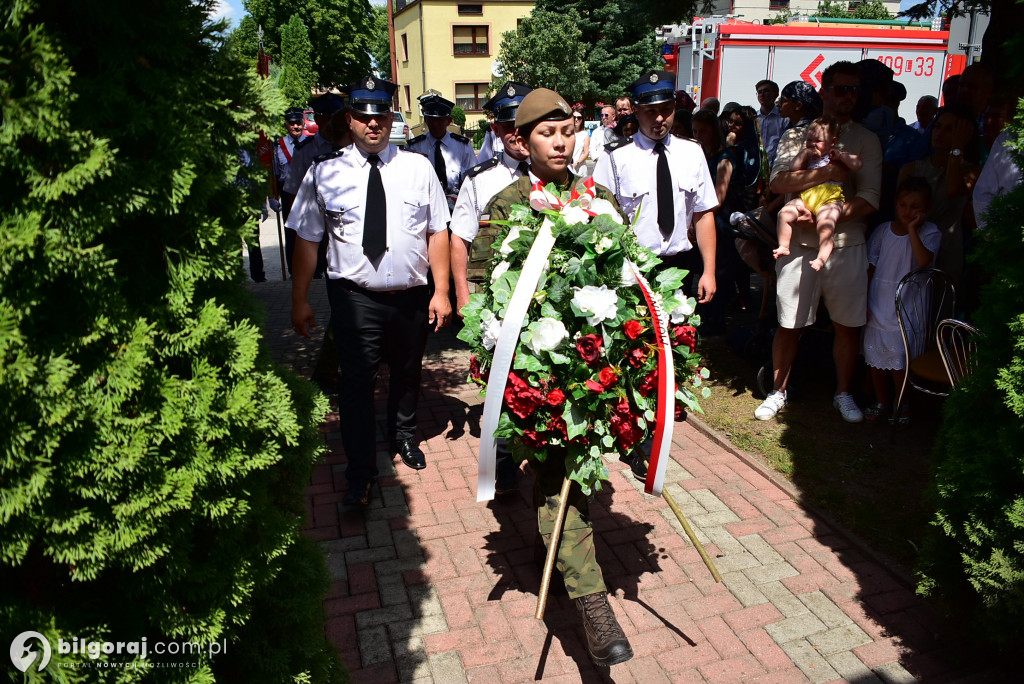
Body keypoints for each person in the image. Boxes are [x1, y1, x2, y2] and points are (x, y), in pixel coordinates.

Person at [483, 87, 634, 668]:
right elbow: (490, 302)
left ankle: (571, 557)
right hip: (538, 377)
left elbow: (630, 285)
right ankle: (594, 608)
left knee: (580, 477)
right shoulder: (509, 203)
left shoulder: (604, 199)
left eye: (568, 130)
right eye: (547, 133)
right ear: (522, 142)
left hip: (595, 375)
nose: (561, 142)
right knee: (556, 481)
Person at [288, 76, 452, 506]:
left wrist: (442, 291)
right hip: (355, 298)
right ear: (351, 119)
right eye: (363, 116)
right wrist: (299, 298)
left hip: (411, 296)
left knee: (407, 372)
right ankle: (360, 472)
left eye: (381, 115)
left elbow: (438, 230)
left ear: (391, 117)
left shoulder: (417, 168)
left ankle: (402, 435)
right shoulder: (325, 172)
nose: (373, 124)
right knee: (356, 385)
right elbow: (306, 238)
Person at [594, 69, 718, 475]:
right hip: (635, 269)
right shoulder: (615, 159)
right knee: (636, 353)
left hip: (680, 266)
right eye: (651, 111)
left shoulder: (692, 152)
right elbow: (602, 223)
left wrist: (709, 270)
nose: (659, 119)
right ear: (637, 113)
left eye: (666, 110)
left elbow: (702, 215)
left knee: (677, 349)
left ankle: (665, 415)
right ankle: (638, 437)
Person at [755, 61, 882, 424]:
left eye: (853, 90)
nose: (847, 96)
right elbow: (778, 183)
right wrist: (825, 173)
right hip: (797, 244)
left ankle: (843, 393)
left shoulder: (866, 139)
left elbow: (871, 196)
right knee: (789, 322)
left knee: (847, 324)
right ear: (823, 91)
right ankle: (777, 391)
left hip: (846, 244)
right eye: (839, 89)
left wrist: (831, 213)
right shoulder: (799, 134)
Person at [450, 81, 533, 495]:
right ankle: (501, 465)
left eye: (524, 124)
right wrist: (464, 299)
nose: (517, 133)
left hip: (543, 304)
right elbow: (460, 240)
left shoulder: (553, 176)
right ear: (498, 131)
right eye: (508, 125)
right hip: (495, 304)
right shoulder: (479, 180)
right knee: (500, 385)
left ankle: (538, 457)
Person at [862, 177, 941, 424]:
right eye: (904, 205)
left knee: (899, 359)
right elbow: (871, 266)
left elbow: (923, 260)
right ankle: (882, 400)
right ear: (896, 204)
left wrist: (912, 230)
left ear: (926, 209)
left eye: (915, 207)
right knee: (875, 356)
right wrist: (863, 300)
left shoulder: (931, 232)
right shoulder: (883, 230)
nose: (908, 211)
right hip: (879, 300)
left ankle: (902, 401)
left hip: (907, 304)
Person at [897, 103, 980, 286]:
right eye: (938, 126)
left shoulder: (972, 171)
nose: (940, 133)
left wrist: (957, 147)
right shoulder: (911, 169)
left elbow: (952, 188)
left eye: (951, 129)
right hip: (911, 245)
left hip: (948, 249)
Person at [774, 116, 863, 271]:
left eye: (818, 141)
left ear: (832, 142)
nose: (812, 144)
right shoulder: (808, 156)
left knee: (825, 225)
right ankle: (784, 245)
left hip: (829, 199)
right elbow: (793, 168)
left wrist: (842, 156)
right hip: (807, 197)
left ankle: (822, 257)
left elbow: (857, 164)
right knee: (784, 213)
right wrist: (804, 154)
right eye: (809, 139)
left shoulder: (836, 155)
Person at [407, 93, 477, 201]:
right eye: (431, 120)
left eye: (440, 121)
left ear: (449, 121)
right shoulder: (415, 147)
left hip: (456, 205)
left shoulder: (462, 146)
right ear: (425, 120)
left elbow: (473, 179)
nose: (435, 125)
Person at [275, 106, 312, 275]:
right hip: (288, 194)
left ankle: (315, 270)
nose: (296, 126)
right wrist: (272, 196)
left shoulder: (312, 144)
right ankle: (293, 271)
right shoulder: (277, 146)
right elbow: (275, 173)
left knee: (311, 232)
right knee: (291, 233)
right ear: (286, 125)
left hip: (309, 193)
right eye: (292, 123)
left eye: (298, 122)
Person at [755, 80, 788, 166]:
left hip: (777, 166)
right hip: (756, 167)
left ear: (776, 94)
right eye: (759, 92)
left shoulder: (784, 118)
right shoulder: (753, 119)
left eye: (766, 91)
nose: (762, 94)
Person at [570, 107, 590, 175]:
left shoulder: (585, 134)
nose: (576, 119)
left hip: (580, 168)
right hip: (569, 167)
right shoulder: (567, 133)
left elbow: (586, 153)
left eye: (579, 118)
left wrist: (576, 163)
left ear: (582, 120)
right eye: (574, 117)